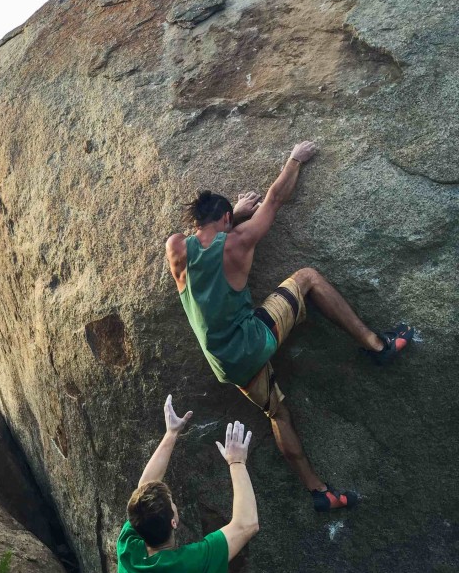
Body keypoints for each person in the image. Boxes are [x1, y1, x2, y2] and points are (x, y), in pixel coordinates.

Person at [165, 140, 415, 511]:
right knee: (309, 277)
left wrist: (232, 211)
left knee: (276, 412)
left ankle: (319, 491)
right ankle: (377, 346)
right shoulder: (240, 240)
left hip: (226, 365)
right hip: (254, 339)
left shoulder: (176, 249)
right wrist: (295, 159)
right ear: (228, 221)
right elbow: (275, 199)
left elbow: (204, 238)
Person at [117, 395, 258, 573]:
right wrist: (237, 462)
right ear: (174, 522)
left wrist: (171, 433)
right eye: (173, 503)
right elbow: (247, 525)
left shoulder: (128, 552)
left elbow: (145, 486)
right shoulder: (187, 564)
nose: (175, 504)